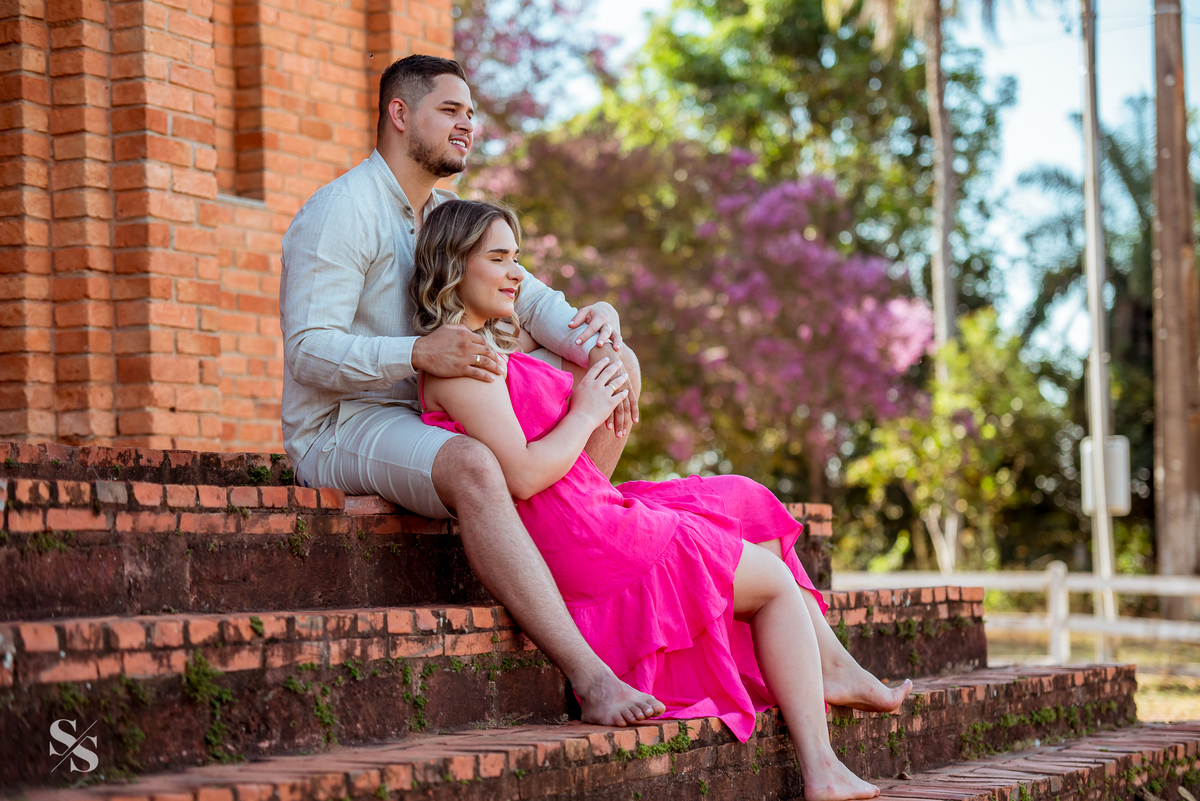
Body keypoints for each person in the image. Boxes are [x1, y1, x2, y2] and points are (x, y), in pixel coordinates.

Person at [413, 199, 913, 801]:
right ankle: (822, 769)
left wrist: (605, 320)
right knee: (774, 583)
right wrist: (587, 410)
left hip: (588, 508)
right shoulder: (458, 361)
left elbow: (575, 370)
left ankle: (831, 673)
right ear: (451, 266)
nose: (518, 273)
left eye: (517, 257)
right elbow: (519, 476)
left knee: (744, 504)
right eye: (498, 258)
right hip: (582, 534)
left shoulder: (498, 344)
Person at [279, 54, 664, 726]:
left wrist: (603, 338)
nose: (468, 126)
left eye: (471, 114)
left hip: (438, 404)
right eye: (450, 112)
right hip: (348, 423)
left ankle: (568, 547)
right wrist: (418, 351)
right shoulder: (340, 211)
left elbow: (536, 303)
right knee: (476, 464)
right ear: (400, 115)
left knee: (611, 367)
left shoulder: (450, 212)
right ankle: (591, 674)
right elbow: (308, 351)